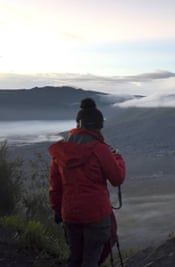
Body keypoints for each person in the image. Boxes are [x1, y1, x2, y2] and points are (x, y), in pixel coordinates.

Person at [48, 97, 125, 267]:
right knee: (91, 259)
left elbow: (55, 187)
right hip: (96, 214)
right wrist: (117, 157)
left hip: (70, 214)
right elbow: (117, 178)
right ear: (98, 126)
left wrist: (58, 211)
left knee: (75, 258)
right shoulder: (100, 149)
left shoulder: (61, 151)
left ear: (78, 124)